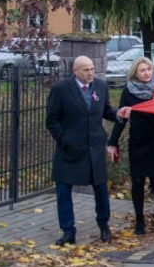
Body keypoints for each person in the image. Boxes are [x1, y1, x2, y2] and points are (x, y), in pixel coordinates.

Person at [46, 56, 129, 245]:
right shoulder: (60, 89)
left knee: (100, 189)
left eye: (92, 69)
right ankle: (68, 231)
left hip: (94, 149)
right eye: (86, 70)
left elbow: (104, 110)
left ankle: (104, 226)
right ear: (75, 71)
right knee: (63, 190)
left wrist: (117, 113)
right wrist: (65, 139)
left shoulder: (100, 86)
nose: (90, 72)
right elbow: (52, 120)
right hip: (69, 149)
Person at [108, 57, 154, 234]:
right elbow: (122, 118)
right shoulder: (128, 91)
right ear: (135, 73)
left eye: (149, 69)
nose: (147, 73)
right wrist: (112, 142)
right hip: (139, 142)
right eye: (142, 70)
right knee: (137, 181)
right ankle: (140, 221)